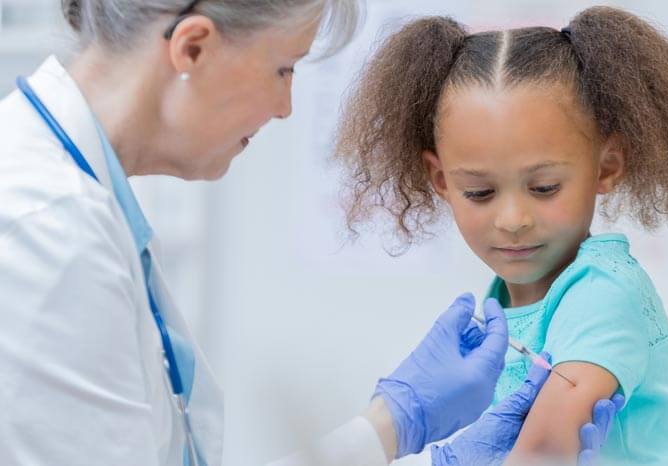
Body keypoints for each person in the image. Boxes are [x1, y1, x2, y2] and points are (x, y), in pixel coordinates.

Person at [0, 1, 618, 465]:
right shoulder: (47, 231)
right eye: (282, 68)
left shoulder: (83, 210)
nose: (285, 107)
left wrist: (391, 426)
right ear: (192, 49)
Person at [335, 5, 668, 465]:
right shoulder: (504, 304)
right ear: (442, 179)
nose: (512, 219)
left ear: (606, 165)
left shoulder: (602, 290)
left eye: (544, 187)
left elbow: (544, 450)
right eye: (480, 191)